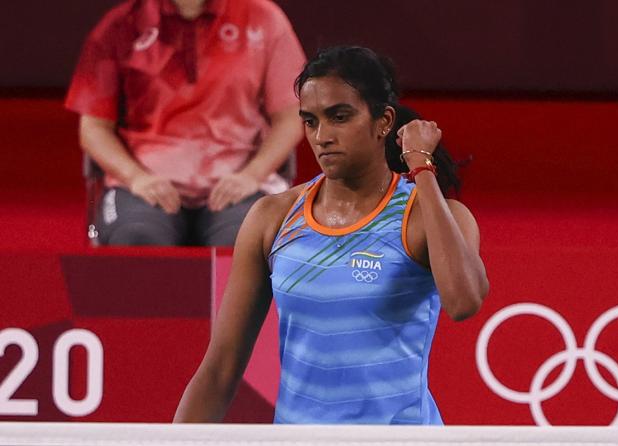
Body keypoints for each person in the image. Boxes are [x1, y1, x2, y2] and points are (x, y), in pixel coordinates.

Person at [173, 46, 489, 424]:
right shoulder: (273, 218)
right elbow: (220, 368)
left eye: (340, 117)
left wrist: (421, 167)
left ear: (383, 121)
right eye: (310, 121)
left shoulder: (423, 216)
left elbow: (464, 301)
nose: (322, 136)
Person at [66, 0, 305, 246]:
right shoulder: (120, 25)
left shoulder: (263, 18)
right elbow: (93, 129)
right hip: (143, 184)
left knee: (245, 244)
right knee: (137, 239)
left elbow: (290, 117)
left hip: (240, 182)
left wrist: (252, 175)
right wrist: (136, 177)